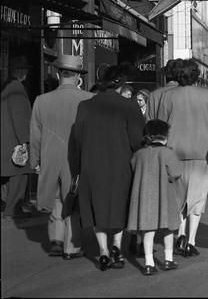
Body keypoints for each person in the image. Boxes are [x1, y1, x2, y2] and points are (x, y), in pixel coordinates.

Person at [71, 64, 145, 271]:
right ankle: (116, 248)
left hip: (91, 164)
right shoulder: (129, 106)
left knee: (97, 208)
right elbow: (137, 140)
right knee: (119, 207)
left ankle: (102, 251)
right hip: (121, 164)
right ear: (121, 84)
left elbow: (77, 138)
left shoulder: (85, 106)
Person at [157, 59, 208, 257]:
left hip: (173, 153)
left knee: (177, 199)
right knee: (196, 200)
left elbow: (159, 127)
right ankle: (191, 240)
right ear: (196, 76)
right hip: (201, 155)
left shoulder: (167, 96)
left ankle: (179, 234)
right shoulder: (207, 96)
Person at [29, 55, 93, 258]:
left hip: (49, 157)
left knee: (56, 198)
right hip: (76, 158)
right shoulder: (88, 100)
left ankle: (56, 239)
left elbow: (35, 135)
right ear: (77, 77)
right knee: (73, 198)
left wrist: (35, 161)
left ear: (58, 75)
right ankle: (71, 246)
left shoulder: (41, 100)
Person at [127, 119, 182, 276]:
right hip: (166, 196)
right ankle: (168, 259)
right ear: (165, 136)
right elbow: (176, 173)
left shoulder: (139, 154)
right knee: (168, 228)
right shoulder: (168, 152)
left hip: (145, 197)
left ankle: (149, 263)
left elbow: (132, 168)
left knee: (148, 231)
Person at [1, 56, 35, 220]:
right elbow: (20, 118)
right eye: (26, 70)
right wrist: (25, 141)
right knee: (19, 175)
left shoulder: (6, 87)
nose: (27, 73)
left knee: (7, 177)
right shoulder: (17, 89)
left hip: (5, 140)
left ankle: (7, 205)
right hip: (13, 141)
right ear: (22, 72)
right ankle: (12, 209)